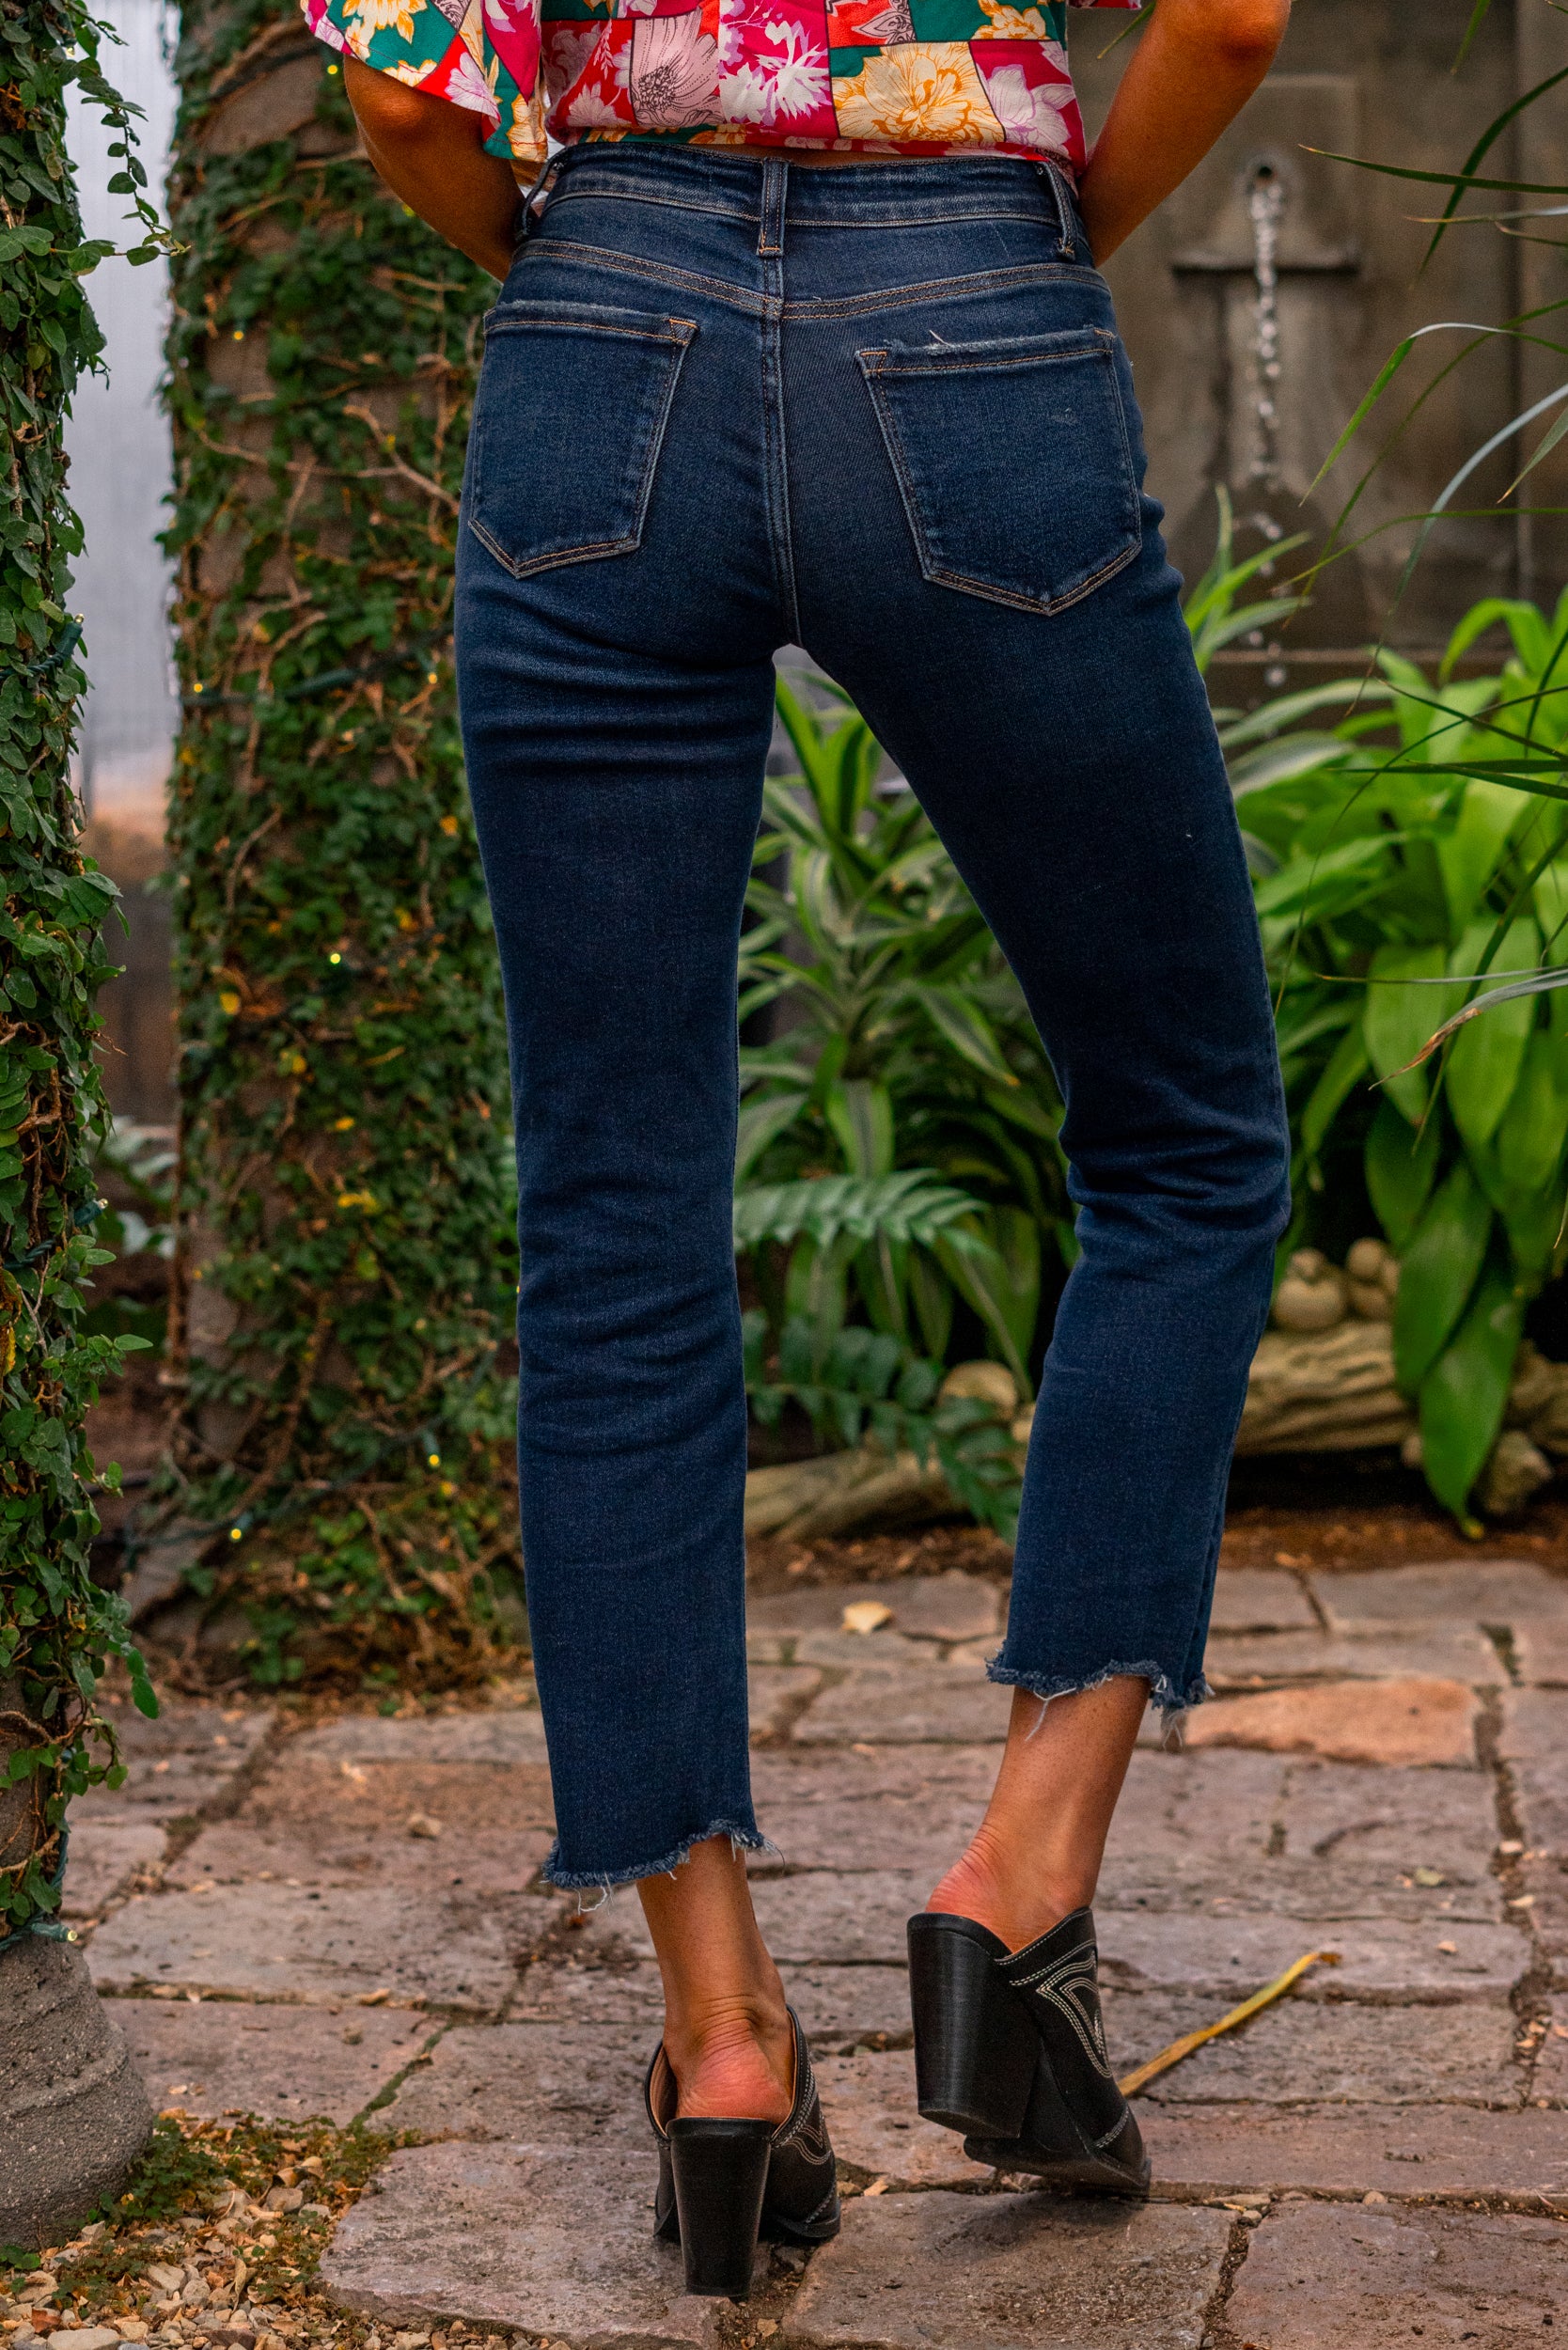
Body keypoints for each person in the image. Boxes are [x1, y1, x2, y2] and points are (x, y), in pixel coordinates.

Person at [305, 0, 1294, 2297]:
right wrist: (1021, 228)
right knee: (1186, 1137)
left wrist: (597, 257)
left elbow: (395, 92)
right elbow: (1233, 17)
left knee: (615, 1225)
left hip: (597, 339)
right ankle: (1019, 1886)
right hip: (971, 302)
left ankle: (723, 2030)